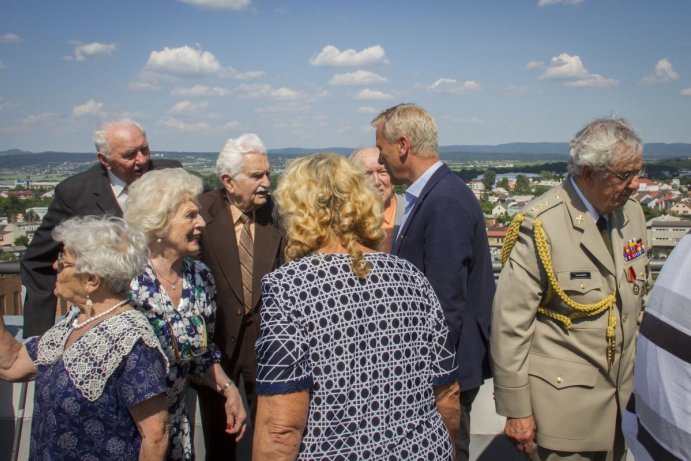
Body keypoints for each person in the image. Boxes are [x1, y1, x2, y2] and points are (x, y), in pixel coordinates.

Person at [253, 153, 460, 460]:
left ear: (298, 212)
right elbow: (447, 397)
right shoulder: (411, 277)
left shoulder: (288, 288)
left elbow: (280, 430)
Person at [492, 118, 649, 460]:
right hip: (564, 413)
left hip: (623, 406)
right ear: (589, 173)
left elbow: (635, 303)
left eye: (638, 172)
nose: (635, 184)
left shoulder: (632, 215)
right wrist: (517, 410)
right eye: (625, 175)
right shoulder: (541, 224)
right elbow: (510, 325)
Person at [371, 103, 495, 460]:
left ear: (403, 145)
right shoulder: (438, 192)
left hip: (443, 374)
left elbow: (445, 301)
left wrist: (433, 378)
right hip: (440, 369)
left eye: (382, 148)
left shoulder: (444, 200)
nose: (380, 160)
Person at [0, 216, 170, 460]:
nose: (54, 267)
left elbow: (156, 434)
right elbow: (12, 364)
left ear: (92, 280)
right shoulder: (73, 323)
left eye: (63, 262)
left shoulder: (133, 341)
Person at [124, 168, 246, 461]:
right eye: (190, 216)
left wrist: (228, 389)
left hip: (175, 428)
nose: (202, 223)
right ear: (158, 222)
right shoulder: (124, 278)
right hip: (128, 431)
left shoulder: (199, 276)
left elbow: (201, 357)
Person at [21, 119, 182, 337]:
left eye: (145, 149)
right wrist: (39, 337)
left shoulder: (170, 173)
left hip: (168, 322)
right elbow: (37, 262)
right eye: (130, 155)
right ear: (104, 159)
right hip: (105, 325)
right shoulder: (75, 193)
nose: (142, 159)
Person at [195, 133, 284, 460]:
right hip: (216, 347)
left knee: (272, 435)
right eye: (257, 175)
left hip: (266, 345)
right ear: (228, 182)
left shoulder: (275, 213)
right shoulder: (201, 214)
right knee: (221, 440)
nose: (266, 183)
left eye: (268, 174)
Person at [622, 231, 691, 460]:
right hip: (575, 387)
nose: (632, 191)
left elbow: (636, 278)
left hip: (628, 379)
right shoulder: (547, 223)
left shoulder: (632, 219)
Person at [350, 146, 404, 252]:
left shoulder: (412, 211)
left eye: (382, 172)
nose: (376, 181)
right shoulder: (343, 219)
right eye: (367, 173)